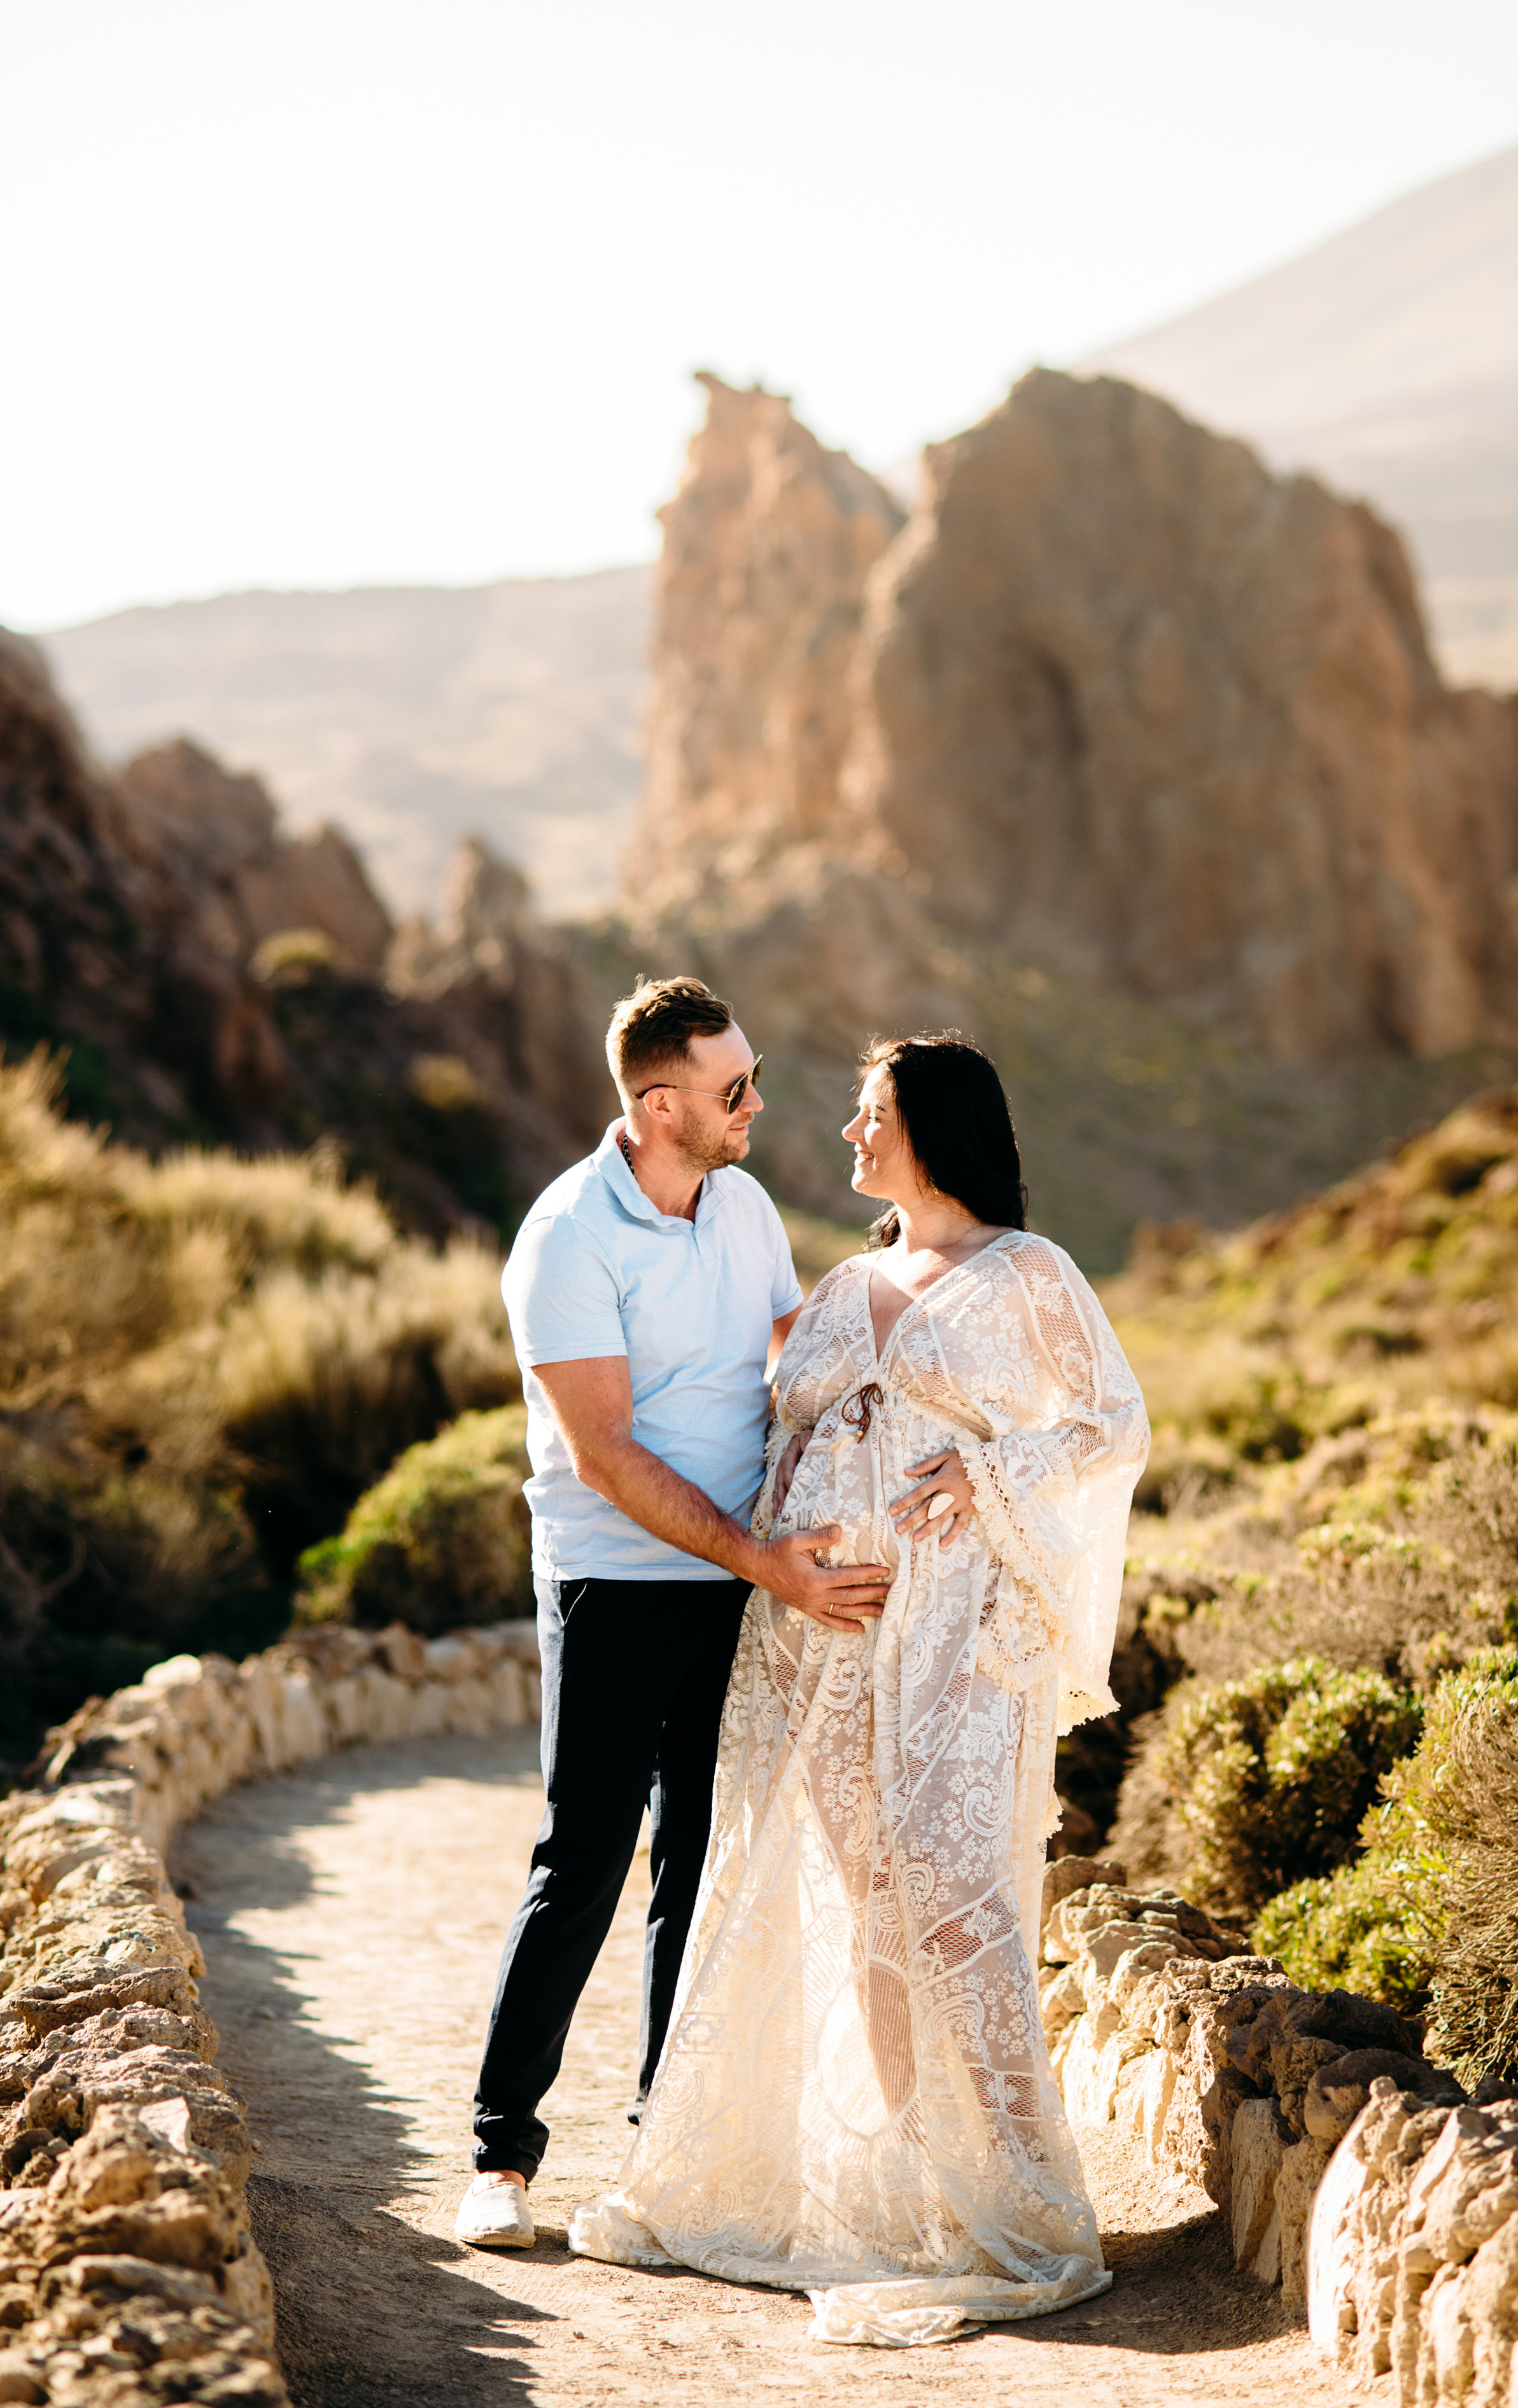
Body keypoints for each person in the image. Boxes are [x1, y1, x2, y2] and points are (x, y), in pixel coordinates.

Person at [570, 1032, 1150, 2346]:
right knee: (861, 1907)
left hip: (956, 1642)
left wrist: (987, 1478)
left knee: (956, 1901)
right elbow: (781, 1439)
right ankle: (906, 2190)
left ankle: (1014, 2203)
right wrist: (767, 1575)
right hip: (818, 1650)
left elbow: (1113, 1421)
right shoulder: (840, 1285)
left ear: (932, 1127)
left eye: (868, 1112)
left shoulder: (1027, 1274)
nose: (845, 1134)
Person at [455, 977, 891, 2251]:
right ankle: (499, 2158)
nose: (755, 1104)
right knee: (582, 1857)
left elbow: (785, 1363)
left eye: (749, 1078)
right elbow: (603, 1456)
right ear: (658, 1105)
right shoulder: (563, 1240)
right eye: (732, 1088)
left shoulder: (746, 1206)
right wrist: (765, 1561)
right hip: (611, 1582)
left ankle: (667, 2150)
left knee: (702, 1861)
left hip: (738, 1581)